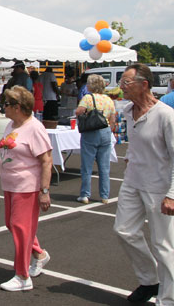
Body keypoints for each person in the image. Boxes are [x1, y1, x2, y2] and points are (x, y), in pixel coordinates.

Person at [113, 63, 174, 304]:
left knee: (164, 245)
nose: (121, 88)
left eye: (126, 83)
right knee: (123, 230)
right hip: (133, 182)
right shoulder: (129, 111)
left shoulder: (165, 116)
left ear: (144, 85)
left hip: (159, 187)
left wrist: (172, 194)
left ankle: (168, 299)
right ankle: (150, 281)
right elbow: (138, 145)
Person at [0, 86, 52, 292]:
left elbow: (46, 160)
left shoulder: (35, 128)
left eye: (6, 104)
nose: (3, 107)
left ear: (18, 107)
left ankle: (23, 276)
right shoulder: (11, 125)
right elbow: (6, 153)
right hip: (10, 185)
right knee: (12, 224)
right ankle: (39, 254)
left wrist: (44, 191)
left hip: (27, 187)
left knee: (21, 228)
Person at [74, 74, 117, 205]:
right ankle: (104, 195)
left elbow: (78, 111)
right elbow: (113, 119)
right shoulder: (108, 99)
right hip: (105, 131)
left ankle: (85, 194)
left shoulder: (88, 98)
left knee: (87, 165)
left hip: (91, 132)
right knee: (104, 166)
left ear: (91, 85)